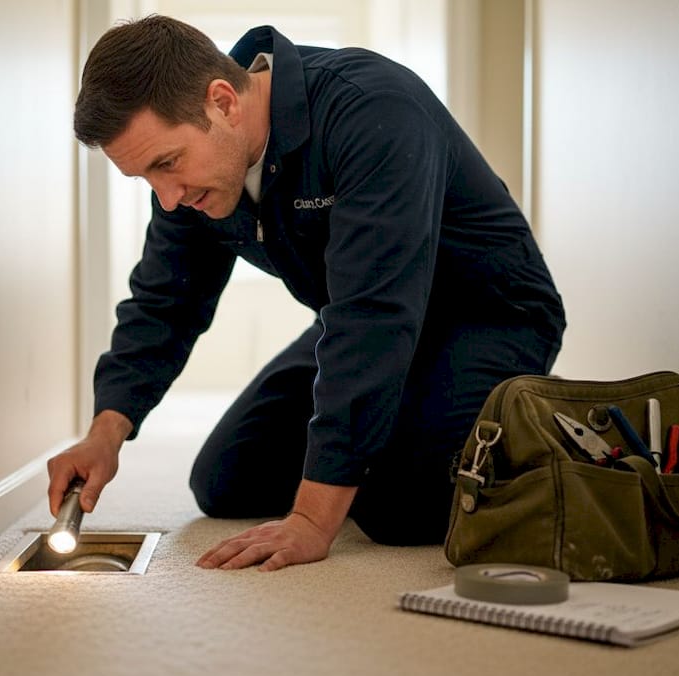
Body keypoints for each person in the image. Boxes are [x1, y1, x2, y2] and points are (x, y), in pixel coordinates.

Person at [47, 15, 565, 571]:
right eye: (146, 178)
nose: (167, 198)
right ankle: (391, 430)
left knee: (398, 508)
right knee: (225, 482)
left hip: (486, 314)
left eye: (166, 164)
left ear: (222, 101)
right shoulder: (190, 183)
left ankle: (537, 424)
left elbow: (375, 317)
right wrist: (106, 431)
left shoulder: (373, 111)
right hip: (353, 313)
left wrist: (314, 520)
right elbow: (164, 303)